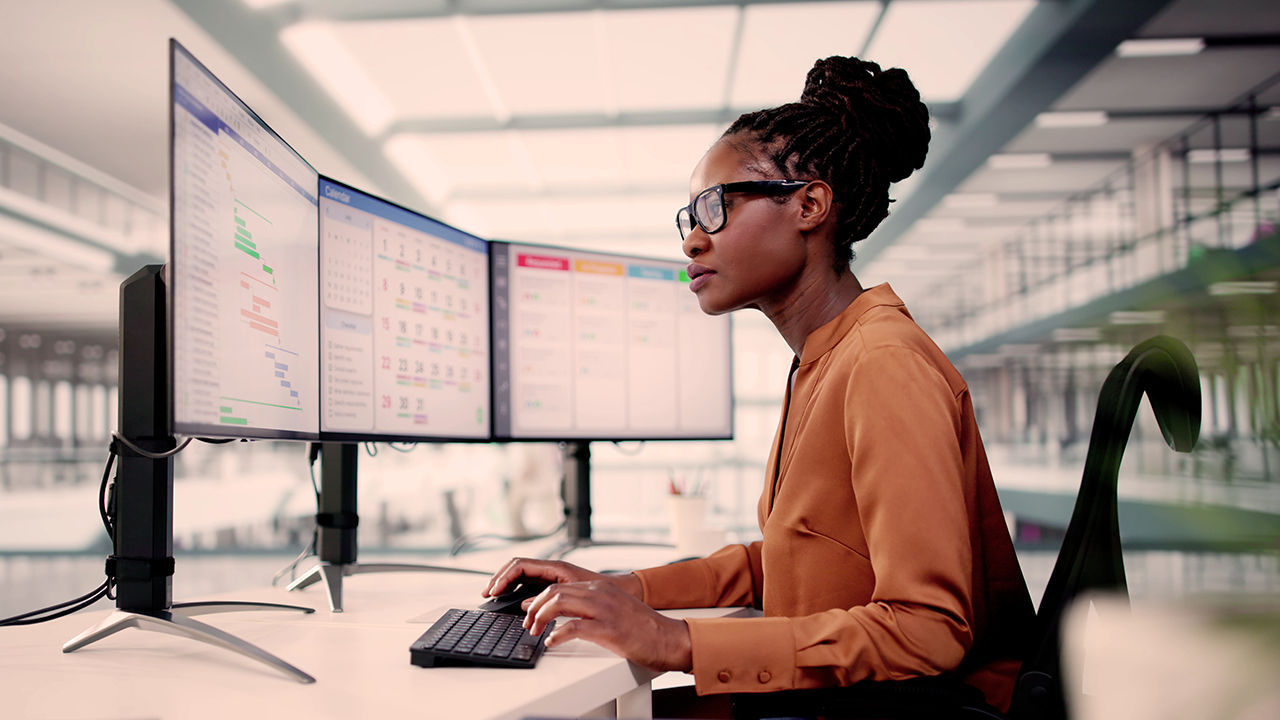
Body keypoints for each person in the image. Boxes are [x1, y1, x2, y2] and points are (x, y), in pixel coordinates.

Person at [483, 55, 1035, 713]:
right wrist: (623, 588)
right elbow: (784, 561)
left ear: (809, 204)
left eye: (714, 208)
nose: (692, 241)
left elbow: (928, 629)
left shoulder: (883, 362)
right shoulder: (824, 359)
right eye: (687, 216)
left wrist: (676, 641)